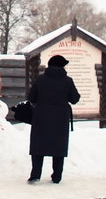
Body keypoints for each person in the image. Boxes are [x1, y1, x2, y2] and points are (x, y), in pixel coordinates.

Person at [26, 54, 81, 183]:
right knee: (58, 147)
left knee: (38, 146)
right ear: (62, 66)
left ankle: (35, 175)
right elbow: (75, 99)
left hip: (41, 117)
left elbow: (31, 97)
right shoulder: (68, 81)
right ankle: (56, 177)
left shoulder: (40, 80)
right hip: (60, 119)